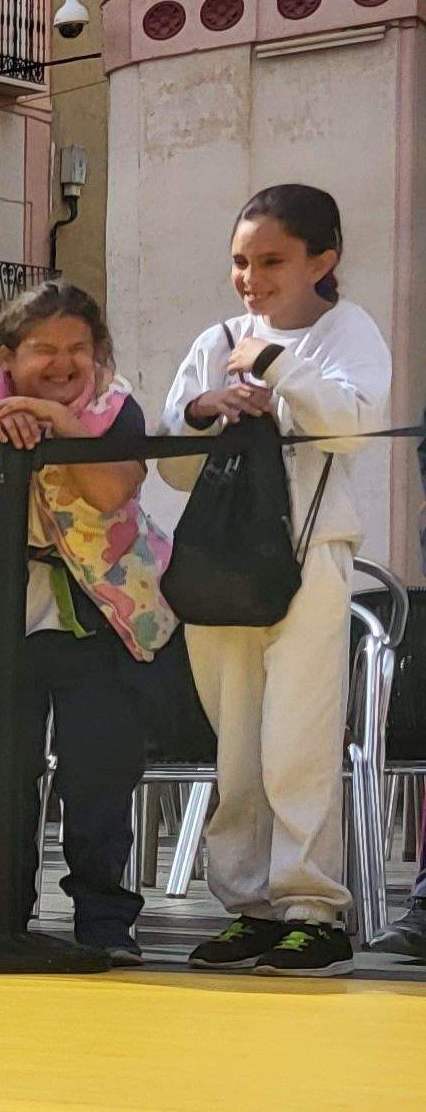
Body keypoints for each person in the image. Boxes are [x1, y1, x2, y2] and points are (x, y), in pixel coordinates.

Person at [158, 184, 391, 976]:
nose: (251, 278)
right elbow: (173, 466)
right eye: (240, 260)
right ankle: (249, 905)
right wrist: (202, 410)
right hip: (221, 559)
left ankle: (311, 907)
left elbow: (354, 426)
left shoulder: (348, 330)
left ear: (322, 260)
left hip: (312, 554)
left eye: (271, 260)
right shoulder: (215, 336)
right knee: (237, 742)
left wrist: (277, 367)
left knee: (300, 735)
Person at [0, 281, 173, 965]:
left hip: (101, 613)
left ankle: (103, 918)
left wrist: (62, 428)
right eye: (42, 351)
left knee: (99, 769)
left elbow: (113, 490)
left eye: (77, 351)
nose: (61, 365)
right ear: (8, 355)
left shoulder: (117, 409)